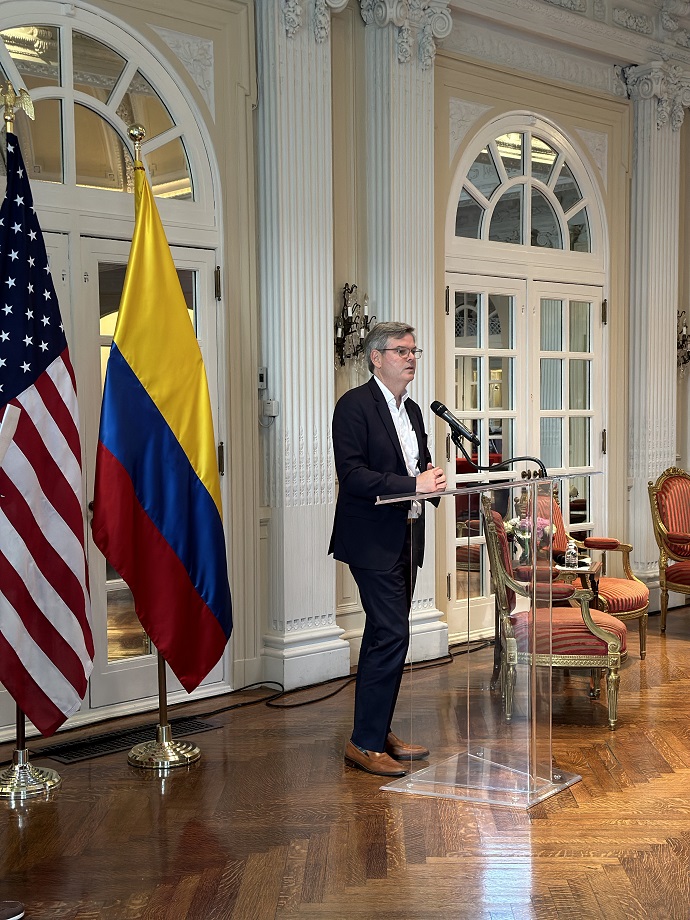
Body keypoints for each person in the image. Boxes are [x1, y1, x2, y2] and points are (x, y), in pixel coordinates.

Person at [329, 321, 446, 777]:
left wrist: (431, 482)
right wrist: (412, 483)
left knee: (385, 635)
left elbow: (415, 465)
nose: (411, 357)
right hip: (370, 539)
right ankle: (363, 743)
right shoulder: (353, 406)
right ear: (376, 358)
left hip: (407, 536)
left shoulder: (413, 410)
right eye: (401, 351)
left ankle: (378, 730)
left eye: (414, 351)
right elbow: (353, 475)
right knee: (393, 632)